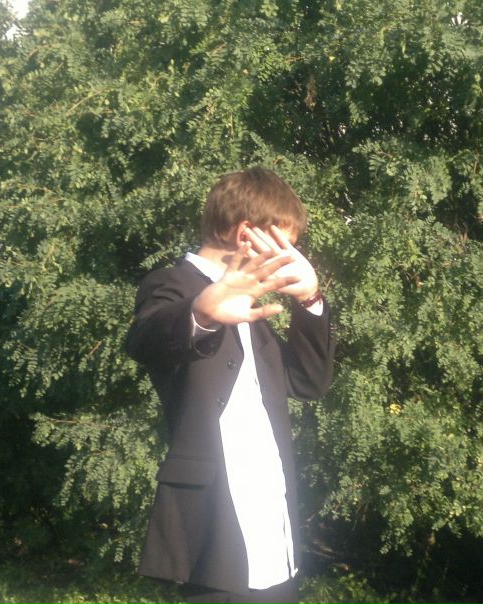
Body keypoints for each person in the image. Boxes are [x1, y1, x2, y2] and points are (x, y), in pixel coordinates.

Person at [125, 167, 336, 604]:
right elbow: (145, 340)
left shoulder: (253, 307)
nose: (289, 258)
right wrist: (201, 312)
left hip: (273, 521)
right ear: (245, 235)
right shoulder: (172, 285)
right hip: (215, 526)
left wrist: (310, 300)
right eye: (285, 246)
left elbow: (309, 382)